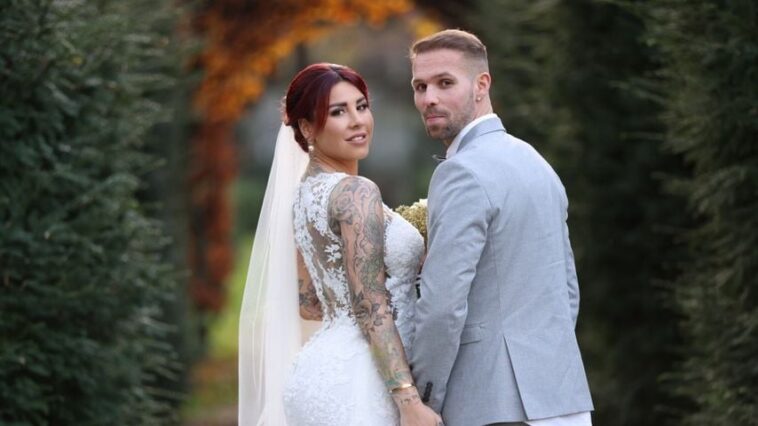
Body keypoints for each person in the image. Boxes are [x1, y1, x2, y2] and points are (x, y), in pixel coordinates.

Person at [238, 63, 442, 426]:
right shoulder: (356, 192)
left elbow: (309, 302)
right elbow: (370, 307)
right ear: (306, 127)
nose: (357, 121)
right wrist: (409, 402)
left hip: (317, 375)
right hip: (362, 382)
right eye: (337, 112)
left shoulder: (303, 196)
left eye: (361, 106)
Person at [408, 29, 594, 426]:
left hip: (491, 402)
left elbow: (443, 306)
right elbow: (566, 290)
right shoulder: (536, 162)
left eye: (444, 83)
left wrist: (421, 399)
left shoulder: (460, 172)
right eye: (420, 86)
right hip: (562, 399)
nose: (429, 99)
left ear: (481, 84)